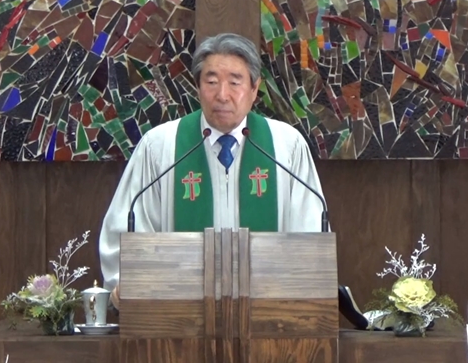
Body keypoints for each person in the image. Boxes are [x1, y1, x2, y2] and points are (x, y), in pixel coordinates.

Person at [99, 32, 329, 308]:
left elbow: (309, 235)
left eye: (235, 82)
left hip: (270, 317)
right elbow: (125, 231)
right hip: (177, 318)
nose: (222, 95)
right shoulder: (159, 147)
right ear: (197, 87)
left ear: (254, 88)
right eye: (211, 82)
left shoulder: (286, 146)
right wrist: (128, 283)